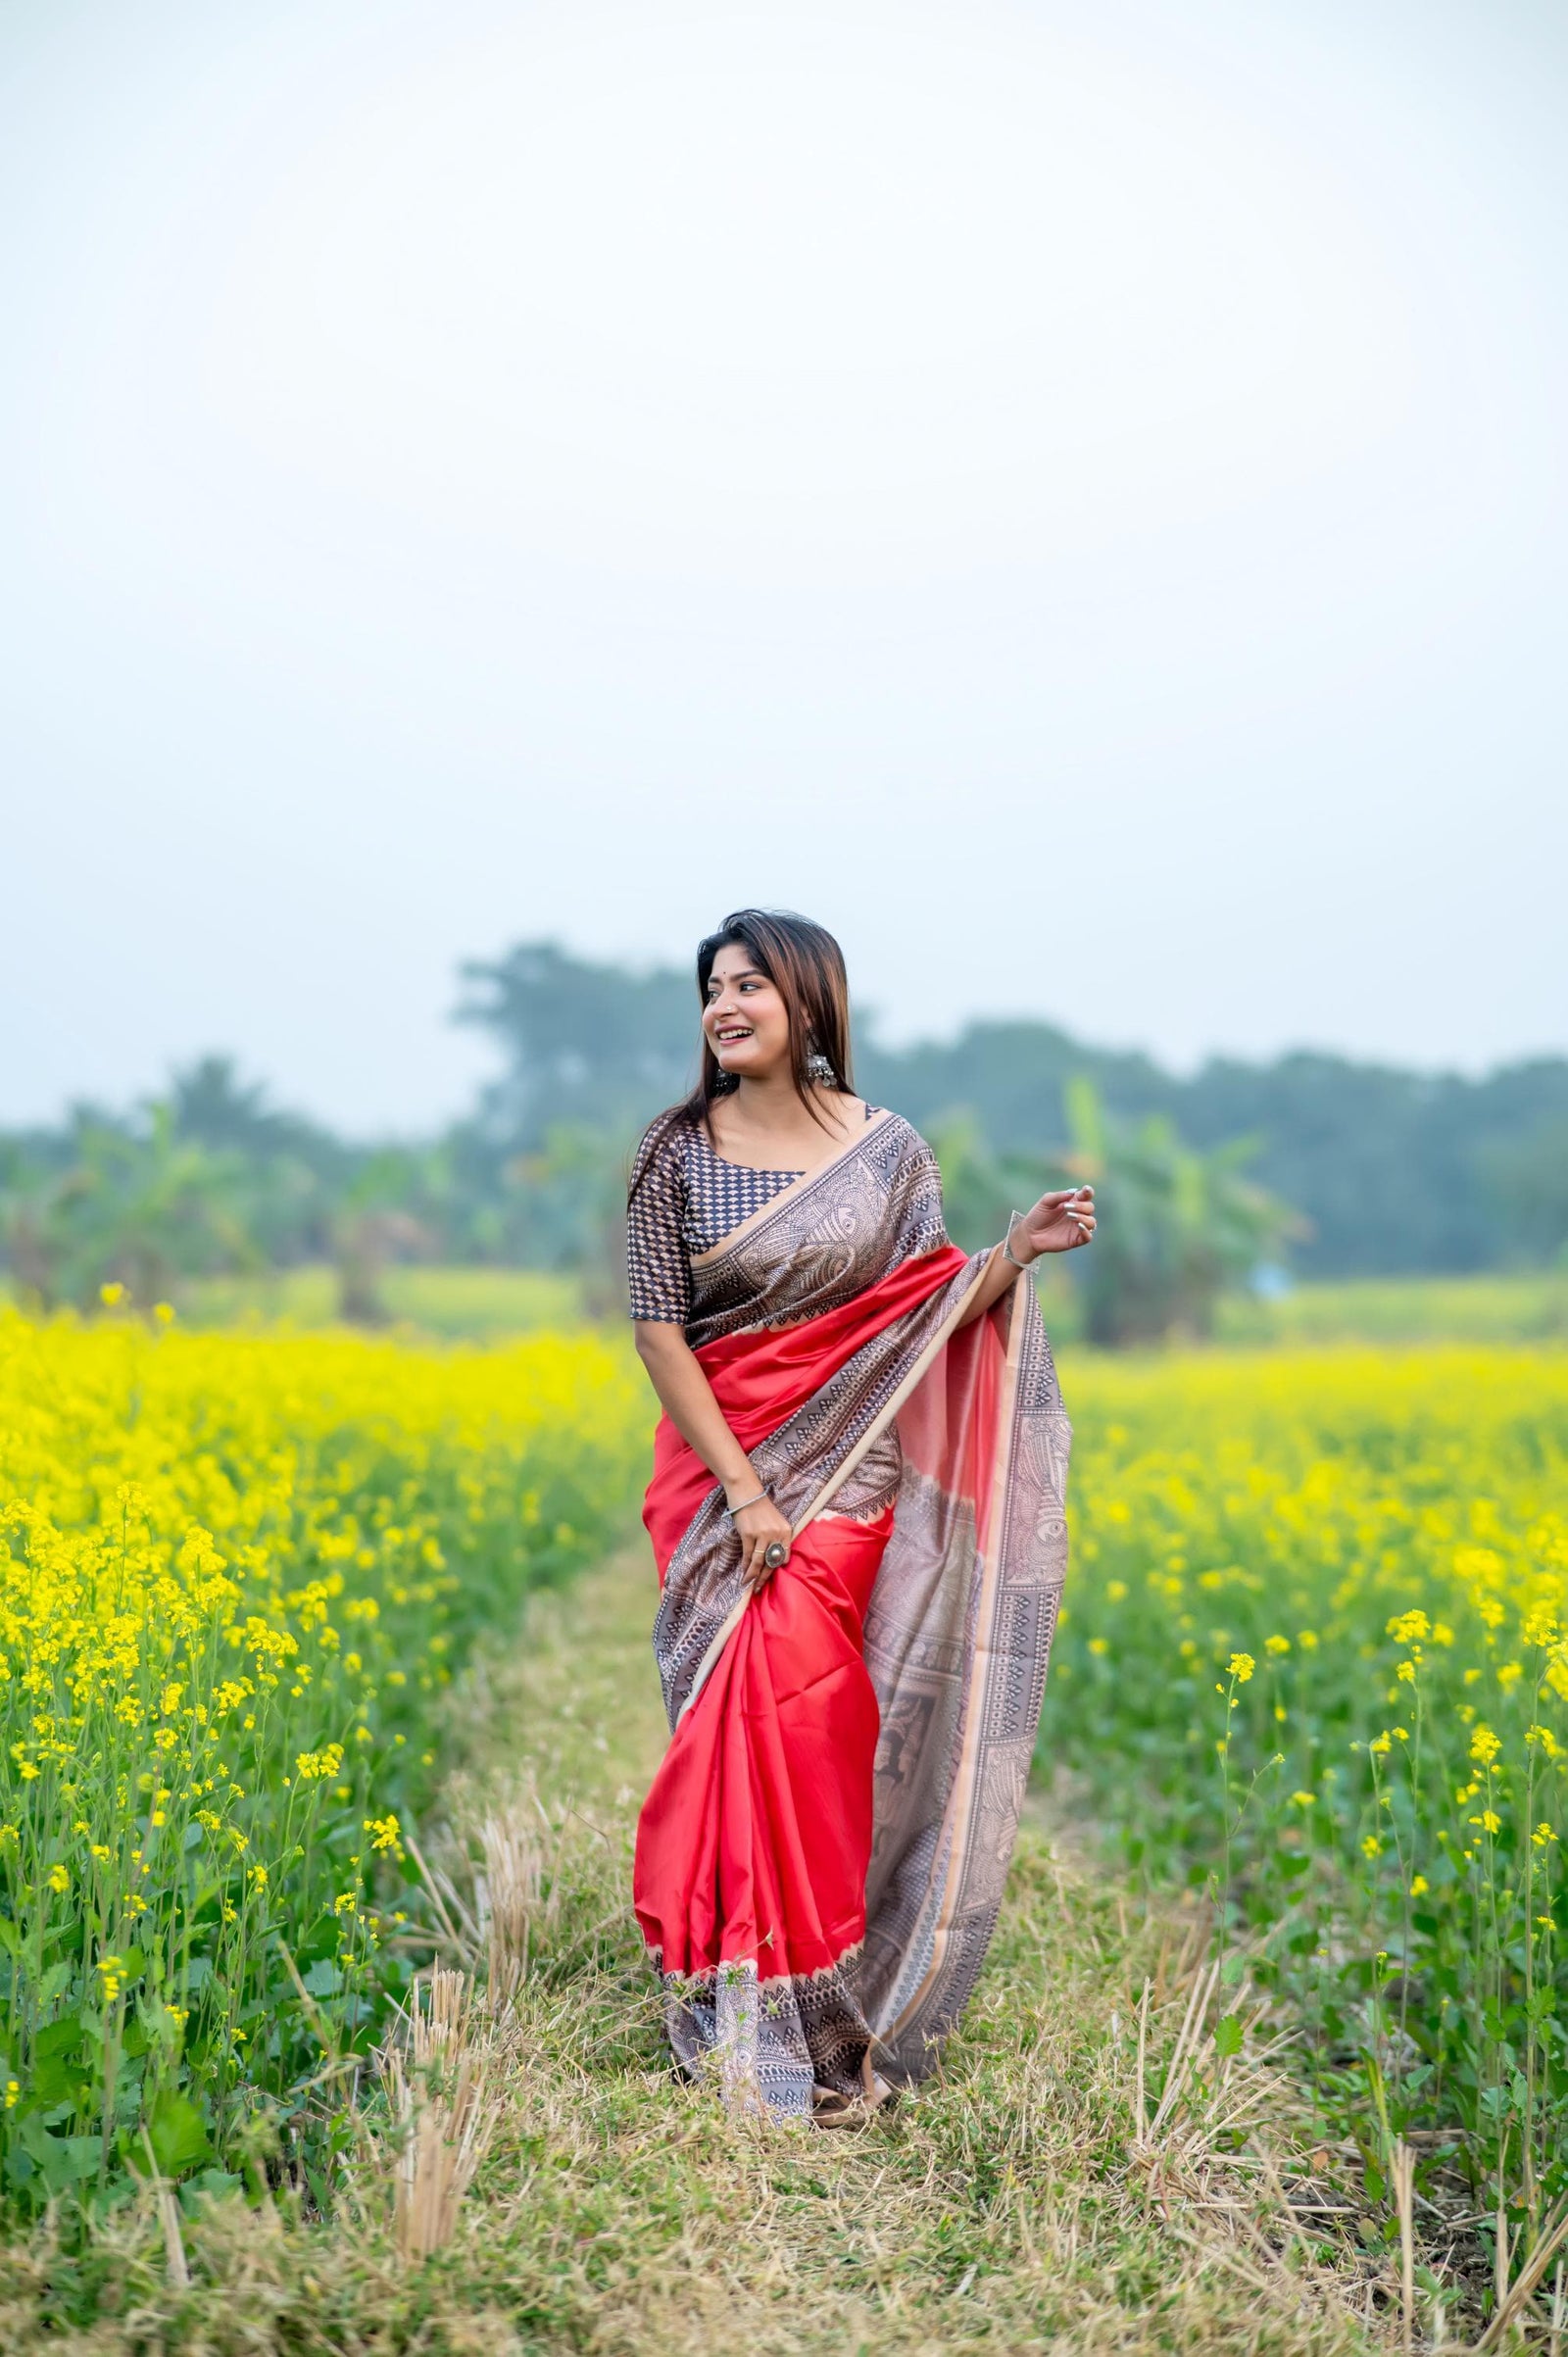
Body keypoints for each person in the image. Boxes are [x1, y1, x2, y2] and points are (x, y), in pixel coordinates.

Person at [626, 908, 1093, 2124]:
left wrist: (1015, 1250)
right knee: (727, 1725)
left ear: (809, 1001)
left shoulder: (887, 1151)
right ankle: (733, 2004)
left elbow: (924, 1306)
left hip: (845, 1484)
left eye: (748, 987)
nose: (724, 1007)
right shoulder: (672, 1150)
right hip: (724, 1481)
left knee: (811, 1727)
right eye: (711, 990)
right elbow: (658, 1331)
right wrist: (741, 1488)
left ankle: (818, 2008)